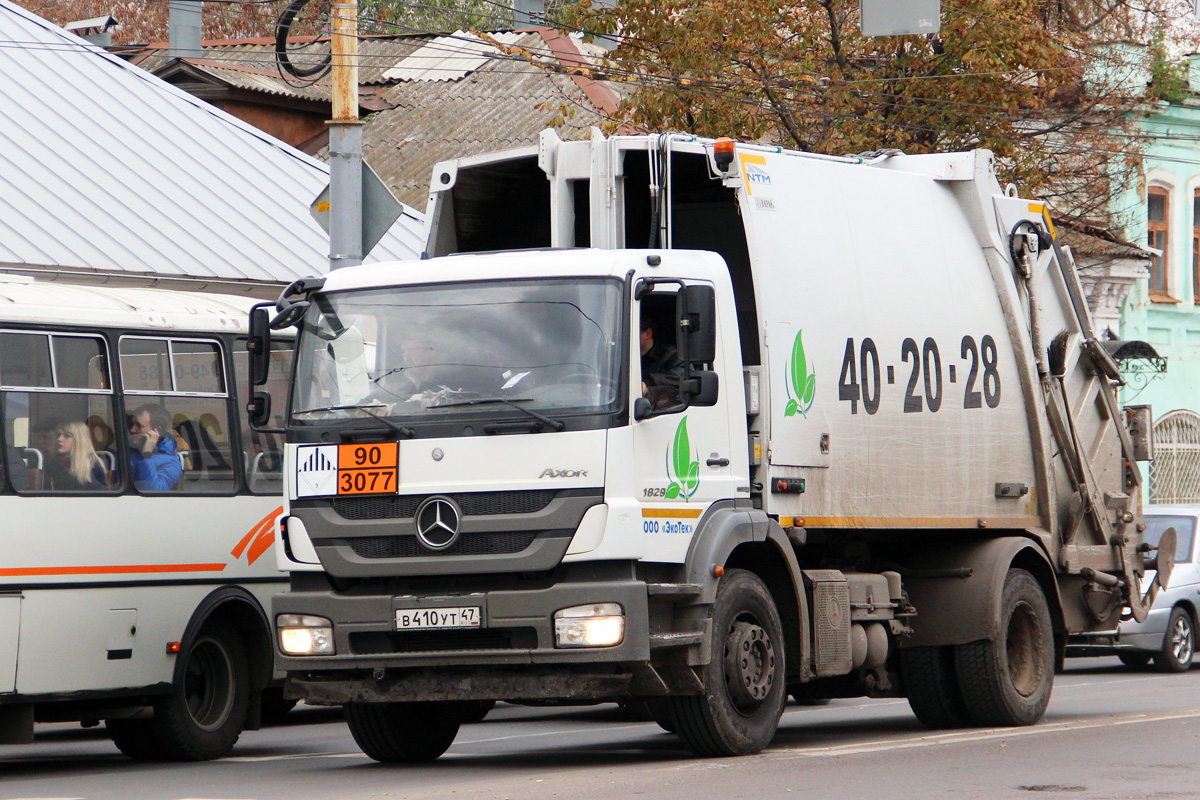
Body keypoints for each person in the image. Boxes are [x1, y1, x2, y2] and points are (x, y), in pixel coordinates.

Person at [129, 403, 182, 491]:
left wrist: (146, 455)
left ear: (156, 431)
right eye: (132, 424)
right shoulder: (126, 449)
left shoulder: (170, 462)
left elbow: (152, 491)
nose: (132, 430)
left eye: (139, 426)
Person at [44, 420, 106, 490]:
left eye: (67, 436)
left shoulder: (94, 465)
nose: (59, 439)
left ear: (79, 439)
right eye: (58, 435)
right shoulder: (50, 463)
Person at [640, 317, 685, 406]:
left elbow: (683, 374)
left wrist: (648, 383)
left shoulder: (669, 354)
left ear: (648, 333)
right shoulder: (624, 358)